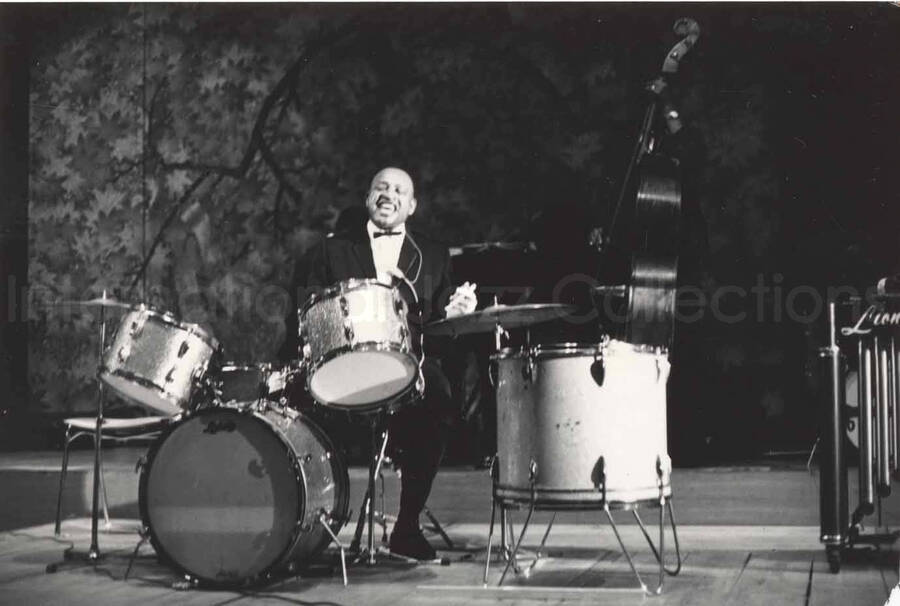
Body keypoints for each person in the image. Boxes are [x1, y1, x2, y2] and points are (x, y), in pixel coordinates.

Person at [284, 167, 477, 560]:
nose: (389, 194)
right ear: (369, 197)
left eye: (399, 190)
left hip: (409, 368)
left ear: (411, 206)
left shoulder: (434, 255)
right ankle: (304, 525)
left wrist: (456, 313)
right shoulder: (330, 250)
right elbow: (304, 315)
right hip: (344, 365)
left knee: (438, 397)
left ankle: (406, 527)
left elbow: (438, 324)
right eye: (381, 187)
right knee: (297, 406)